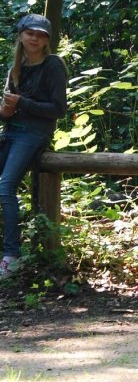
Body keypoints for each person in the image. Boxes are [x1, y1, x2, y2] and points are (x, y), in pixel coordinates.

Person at [0, 14, 67, 279]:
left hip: (34, 134)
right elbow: (7, 112)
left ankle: (11, 255)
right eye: (30, 33)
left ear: (47, 40)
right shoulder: (16, 66)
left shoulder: (53, 65)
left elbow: (58, 110)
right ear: (21, 35)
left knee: (5, 186)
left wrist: (21, 103)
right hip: (11, 131)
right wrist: (5, 110)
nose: (35, 38)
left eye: (41, 35)